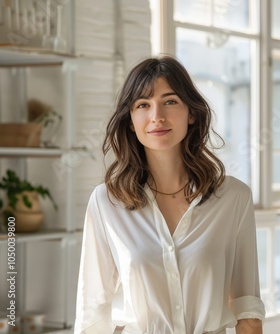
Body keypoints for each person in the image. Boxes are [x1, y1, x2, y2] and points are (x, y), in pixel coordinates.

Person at [74, 55, 265, 334]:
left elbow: (247, 308)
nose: (156, 116)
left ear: (191, 113)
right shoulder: (106, 202)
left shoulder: (234, 198)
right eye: (143, 105)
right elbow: (93, 311)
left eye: (170, 101)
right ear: (130, 120)